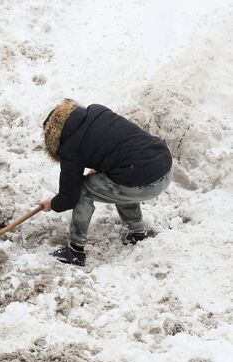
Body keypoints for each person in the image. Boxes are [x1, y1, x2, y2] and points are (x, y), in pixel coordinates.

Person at [38, 99, 172, 266]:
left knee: (83, 189)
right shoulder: (96, 111)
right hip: (164, 166)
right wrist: (102, 167)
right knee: (118, 177)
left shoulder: (69, 147)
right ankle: (137, 232)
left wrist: (53, 204)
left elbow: (69, 196)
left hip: (142, 181)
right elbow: (117, 146)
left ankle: (75, 251)